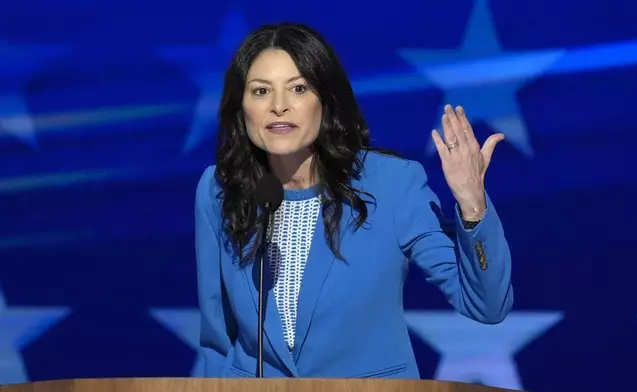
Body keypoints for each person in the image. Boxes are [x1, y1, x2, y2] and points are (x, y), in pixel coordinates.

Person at [194, 22, 513, 379]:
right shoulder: (218, 190)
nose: (278, 106)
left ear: (325, 101)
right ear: (241, 105)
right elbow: (217, 342)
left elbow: (486, 306)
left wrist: (473, 207)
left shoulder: (390, 184)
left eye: (298, 88)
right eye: (260, 91)